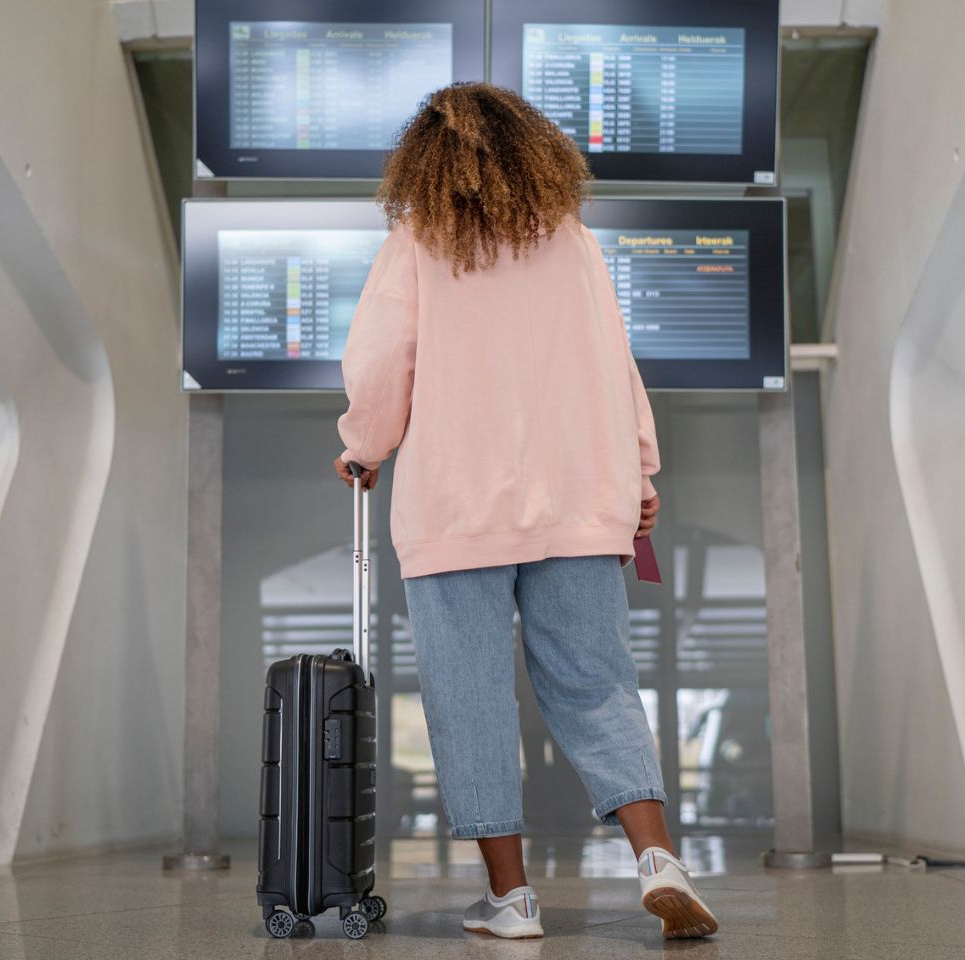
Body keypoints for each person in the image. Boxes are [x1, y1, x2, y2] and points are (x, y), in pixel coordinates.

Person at [332, 82, 718, 941]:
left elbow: (381, 363)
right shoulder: (572, 242)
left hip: (455, 510)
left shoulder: (417, 243)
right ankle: (658, 860)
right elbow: (619, 367)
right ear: (531, 149)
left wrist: (364, 447)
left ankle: (511, 901)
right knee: (598, 686)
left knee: (470, 698)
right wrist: (640, 480)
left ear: (423, 163)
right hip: (579, 500)